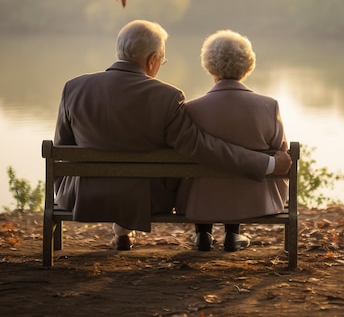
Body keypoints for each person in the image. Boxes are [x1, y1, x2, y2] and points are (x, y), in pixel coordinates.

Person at [53, 20, 291, 251]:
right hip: (145, 200)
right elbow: (200, 148)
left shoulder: (73, 88)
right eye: (162, 59)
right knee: (137, 183)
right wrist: (268, 164)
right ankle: (124, 228)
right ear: (153, 59)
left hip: (81, 196)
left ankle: (122, 232)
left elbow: (62, 147)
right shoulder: (167, 97)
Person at [176, 29, 289, 252]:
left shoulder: (190, 110)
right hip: (253, 200)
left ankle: (203, 234)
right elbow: (282, 155)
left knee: (200, 167)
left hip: (201, 200)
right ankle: (232, 234)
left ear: (209, 64)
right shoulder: (268, 107)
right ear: (247, 64)